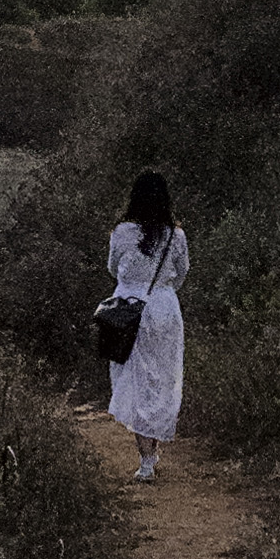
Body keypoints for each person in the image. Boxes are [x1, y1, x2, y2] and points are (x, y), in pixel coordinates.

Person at [105, 166, 188, 484]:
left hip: (128, 309)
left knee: (134, 379)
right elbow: (181, 273)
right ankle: (152, 449)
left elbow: (113, 268)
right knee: (163, 379)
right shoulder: (176, 235)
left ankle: (146, 460)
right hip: (165, 309)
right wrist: (161, 291)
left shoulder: (121, 232)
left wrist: (133, 284)